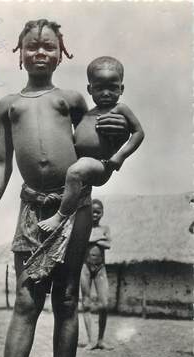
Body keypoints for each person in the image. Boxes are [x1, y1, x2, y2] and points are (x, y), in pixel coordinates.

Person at [0, 20, 129, 357]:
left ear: (62, 54)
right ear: (19, 52)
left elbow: (93, 151)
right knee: (25, 302)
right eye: (31, 47)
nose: (39, 53)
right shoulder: (9, 105)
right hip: (30, 208)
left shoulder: (72, 100)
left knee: (66, 302)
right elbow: (3, 164)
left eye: (47, 47)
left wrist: (114, 138)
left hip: (72, 206)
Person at [38, 56, 144, 233]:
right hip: (83, 162)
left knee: (75, 171)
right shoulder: (88, 113)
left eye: (112, 87)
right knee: (70, 170)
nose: (106, 93)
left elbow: (139, 133)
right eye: (99, 88)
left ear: (121, 88)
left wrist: (119, 157)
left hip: (101, 164)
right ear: (90, 89)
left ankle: (60, 216)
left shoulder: (120, 109)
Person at [80, 199, 113, 350]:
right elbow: (84, 240)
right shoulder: (84, 228)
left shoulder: (105, 228)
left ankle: (101, 340)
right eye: (92, 211)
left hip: (100, 268)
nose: (95, 214)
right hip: (85, 267)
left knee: (104, 304)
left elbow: (108, 244)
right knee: (86, 303)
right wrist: (99, 239)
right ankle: (90, 341)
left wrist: (94, 240)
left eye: (98, 212)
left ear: (102, 213)